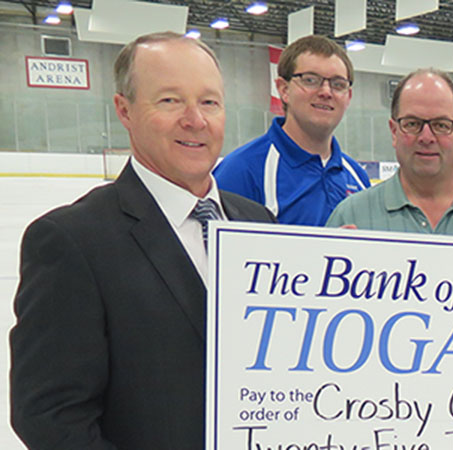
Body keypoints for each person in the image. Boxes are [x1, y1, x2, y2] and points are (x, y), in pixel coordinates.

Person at [9, 32, 275, 449]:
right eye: (170, 100)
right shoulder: (73, 241)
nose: (195, 120)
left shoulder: (260, 225)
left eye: (209, 102)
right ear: (124, 110)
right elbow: (51, 418)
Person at [327, 69, 453, 237]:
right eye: (412, 124)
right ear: (394, 132)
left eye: (441, 125)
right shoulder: (351, 216)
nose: (426, 137)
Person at [214, 35, 370, 226]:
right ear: (283, 89)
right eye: (311, 80)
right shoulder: (241, 171)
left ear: (348, 97)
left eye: (338, 84)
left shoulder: (357, 176)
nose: (326, 92)